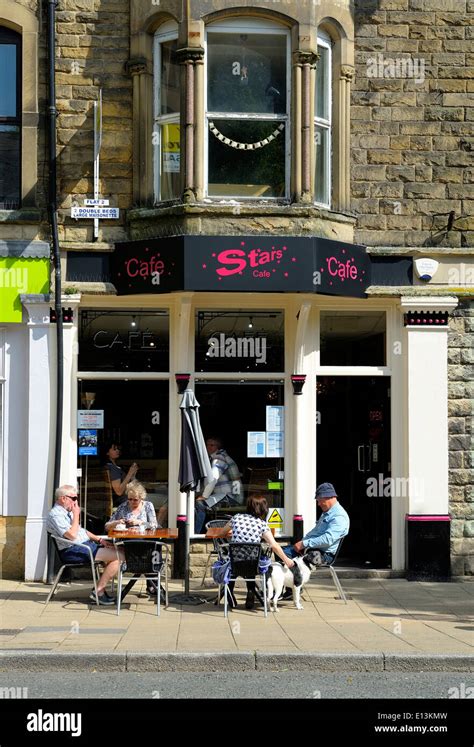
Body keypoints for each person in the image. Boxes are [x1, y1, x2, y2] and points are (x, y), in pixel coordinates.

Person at [46, 484, 123, 606]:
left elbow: (81, 531)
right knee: (119, 557)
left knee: (120, 552)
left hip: (85, 546)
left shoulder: (66, 512)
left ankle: (100, 589)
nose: (76, 502)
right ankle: (98, 591)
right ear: (63, 498)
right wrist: (76, 515)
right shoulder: (55, 515)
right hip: (73, 550)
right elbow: (71, 535)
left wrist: (99, 540)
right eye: (74, 498)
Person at [221, 493, 296, 610]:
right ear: (263, 509)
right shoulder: (262, 524)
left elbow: (222, 533)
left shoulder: (236, 518)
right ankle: (250, 592)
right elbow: (274, 545)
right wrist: (286, 559)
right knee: (252, 560)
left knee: (234, 568)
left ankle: (229, 593)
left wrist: (233, 533)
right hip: (253, 565)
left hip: (234, 563)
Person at [105, 480, 160, 598]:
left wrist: (139, 522)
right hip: (127, 543)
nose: (132, 502)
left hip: (145, 541)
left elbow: (154, 524)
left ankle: (152, 584)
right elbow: (107, 525)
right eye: (130, 499)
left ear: (141, 498)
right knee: (147, 555)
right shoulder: (123, 506)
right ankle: (146, 575)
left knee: (155, 548)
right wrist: (117, 522)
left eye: (135, 499)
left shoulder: (148, 506)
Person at [284, 482, 350, 563]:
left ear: (329, 497)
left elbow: (328, 539)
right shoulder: (327, 512)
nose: (318, 504)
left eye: (320, 500)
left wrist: (304, 543)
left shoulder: (339, 516)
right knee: (278, 551)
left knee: (280, 554)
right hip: (310, 549)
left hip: (322, 554)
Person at [195, 437, 243, 534]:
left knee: (199, 504)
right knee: (200, 502)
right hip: (229, 496)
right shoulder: (218, 457)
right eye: (207, 445)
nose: (208, 447)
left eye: (212, 445)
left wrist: (204, 496)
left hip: (231, 497)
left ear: (218, 447)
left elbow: (213, 478)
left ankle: (195, 534)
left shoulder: (219, 458)